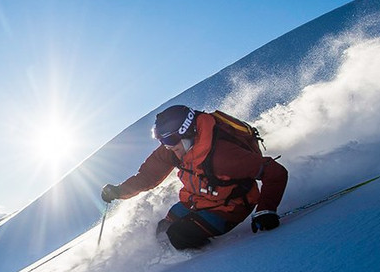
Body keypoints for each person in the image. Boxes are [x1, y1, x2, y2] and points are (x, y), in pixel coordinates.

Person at [101, 105, 288, 250]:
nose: (166, 146)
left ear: (187, 132)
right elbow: (147, 176)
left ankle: (203, 265)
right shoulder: (175, 149)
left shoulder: (223, 156)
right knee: (162, 229)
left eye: (169, 140)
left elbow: (275, 172)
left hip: (230, 206)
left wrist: (266, 210)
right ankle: (168, 256)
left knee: (179, 235)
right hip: (199, 199)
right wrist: (118, 191)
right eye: (162, 141)